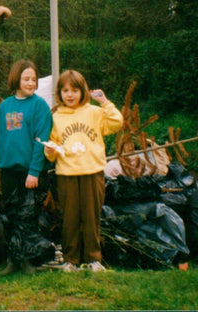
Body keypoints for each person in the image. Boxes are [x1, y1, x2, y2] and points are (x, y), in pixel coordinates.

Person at [44, 69, 123, 273]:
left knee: (91, 217)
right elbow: (51, 149)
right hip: (66, 175)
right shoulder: (56, 117)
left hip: (92, 173)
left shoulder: (94, 113)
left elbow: (116, 123)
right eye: (65, 90)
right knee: (69, 218)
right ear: (59, 93)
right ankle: (70, 260)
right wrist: (50, 150)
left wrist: (105, 102)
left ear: (83, 91)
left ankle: (93, 259)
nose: (70, 95)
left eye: (75, 90)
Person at [0, 59, 52, 275]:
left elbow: (42, 141)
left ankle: (30, 261)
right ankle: (14, 260)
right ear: (16, 79)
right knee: (11, 215)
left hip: (30, 171)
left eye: (33, 79)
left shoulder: (39, 106)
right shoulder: (7, 105)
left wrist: (34, 171)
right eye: (26, 79)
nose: (30, 83)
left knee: (28, 216)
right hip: (8, 170)